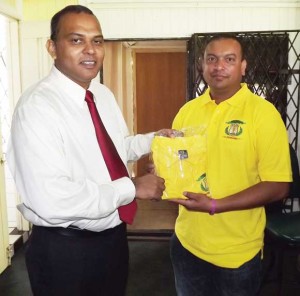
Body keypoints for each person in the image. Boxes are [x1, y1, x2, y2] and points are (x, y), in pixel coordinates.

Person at [7, 5, 173, 296]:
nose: (90, 50)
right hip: (65, 251)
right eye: (76, 40)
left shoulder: (102, 94)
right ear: (52, 47)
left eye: (97, 41)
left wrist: (154, 140)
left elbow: (114, 149)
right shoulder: (37, 107)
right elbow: (51, 199)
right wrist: (132, 188)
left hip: (113, 241)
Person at [168, 34, 292, 296]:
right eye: (211, 59)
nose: (218, 66)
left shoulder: (263, 114)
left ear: (243, 66)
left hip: (237, 252)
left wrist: (215, 205)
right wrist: (162, 172)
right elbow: (180, 162)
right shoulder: (187, 111)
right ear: (202, 65)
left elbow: (278, 186)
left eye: (229, 59)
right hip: (187, 242)